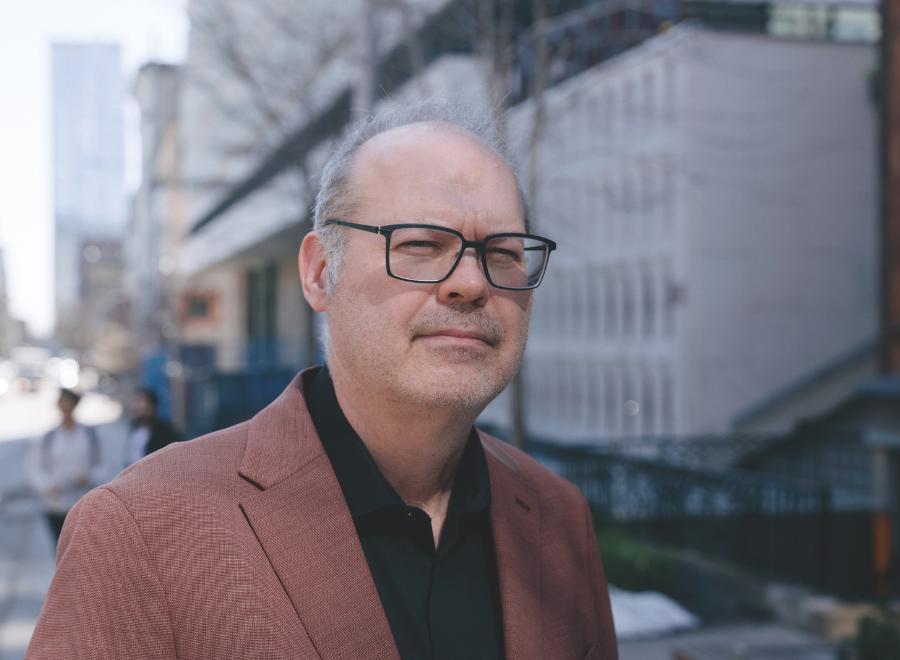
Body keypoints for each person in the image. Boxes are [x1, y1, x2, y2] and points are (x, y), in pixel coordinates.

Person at [27, 104, 617, 659]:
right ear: (318, 273)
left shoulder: (558, 516)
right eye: (419, 244)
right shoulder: (139, 530)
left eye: (505, 252)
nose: (471, 282)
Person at [28, 389, 102, 544]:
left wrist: (89, 477)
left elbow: (101, 464)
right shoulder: (49, 437)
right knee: (62, 548)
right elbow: (35, 467)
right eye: (63, 404)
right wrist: (48, 485)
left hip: (83, 502)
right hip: (56, 505)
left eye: (69, 404)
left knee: (84, 548)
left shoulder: (89, 435)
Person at [125, 387, 183, 466]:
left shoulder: (165, 431)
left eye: (144, 403)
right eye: (137, 402)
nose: (139, 407)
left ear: (153, 406)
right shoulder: (130, 430)